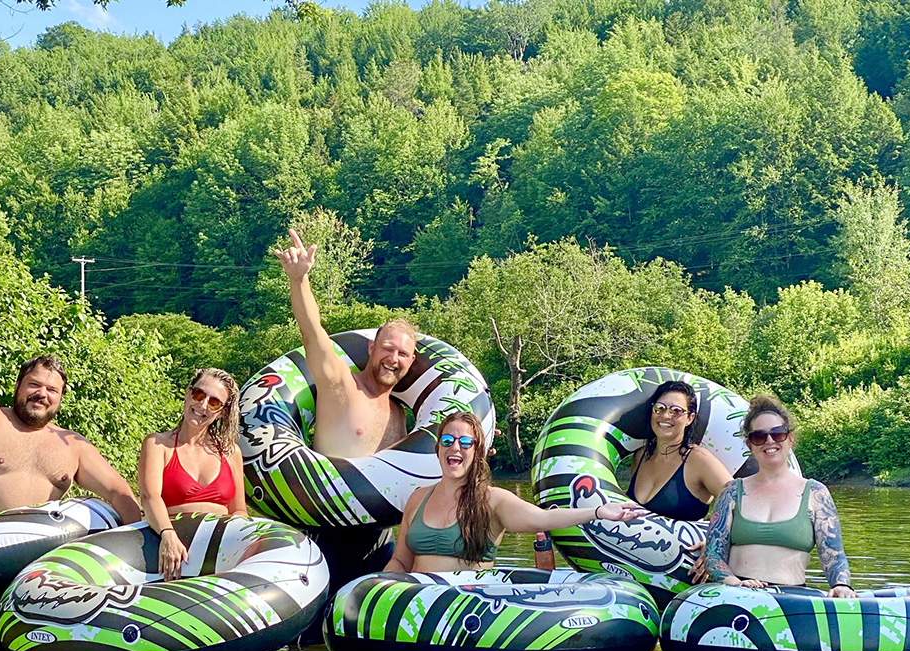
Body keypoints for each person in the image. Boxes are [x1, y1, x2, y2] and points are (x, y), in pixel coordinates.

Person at [0, 298, 141, 525]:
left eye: (52, 389)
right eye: (34, 385)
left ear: (60, 398)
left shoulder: (74, 446)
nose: (42, 394)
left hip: (38, 556)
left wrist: (137, 538)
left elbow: (118, 491)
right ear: (17, 386)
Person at [384, 412, 646, 572]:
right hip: (416, 607)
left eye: (466, 442)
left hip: (462, 609)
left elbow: (543, 519)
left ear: (477, 453)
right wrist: (375, 587)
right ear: (438, 448)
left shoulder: (492, 500)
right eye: (447, 440)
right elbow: (400, 561)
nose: (456, 447)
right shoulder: (418, 497)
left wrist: (598, 511)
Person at [275, 229, 418, 459]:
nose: (393, 359)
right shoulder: (340, 383)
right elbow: (312, 331)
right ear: (372, 348)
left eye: (402, 354)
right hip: (324, 494)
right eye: (388, 348)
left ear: (411, 361)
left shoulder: (399, 414)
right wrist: (299, 279)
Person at [703, 395, 857, 598]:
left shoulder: (815, 493)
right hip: (737, 595)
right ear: (750, 444)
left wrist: (841, 585)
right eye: (759, 436)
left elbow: (834, 555)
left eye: (778, 434)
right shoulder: (731, 492)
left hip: (792, 598)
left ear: (790, 438)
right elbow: (713, 553)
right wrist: (734, 582)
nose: (769, 441)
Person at [139, 368, 248, 580]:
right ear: (188, 393)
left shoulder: (231, 452)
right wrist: (167, 534)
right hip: (170, 546)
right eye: (199, 394)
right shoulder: (157, 444)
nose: (203, 405)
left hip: (219, 550)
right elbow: (149, 496)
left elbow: (239, 510)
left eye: (214, 402)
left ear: (223, 412)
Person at [626, 381, 733, 521]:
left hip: (687, 543)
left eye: (676, 411)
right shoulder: (641, 456)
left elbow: (740, 506)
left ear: (689, 418)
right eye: (660, 408)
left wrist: (711, 539)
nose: (665, 416)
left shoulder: (699, 460)